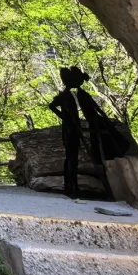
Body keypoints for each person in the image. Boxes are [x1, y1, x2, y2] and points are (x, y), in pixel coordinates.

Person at [48, 66, 86, 198]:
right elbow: (51, 106)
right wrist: (66, 118)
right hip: (70, 129)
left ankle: (71, 184)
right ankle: (71, 185)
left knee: (72, 157)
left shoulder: (68, 95)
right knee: (71, 156)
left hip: (71, 127)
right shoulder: (65, 95)